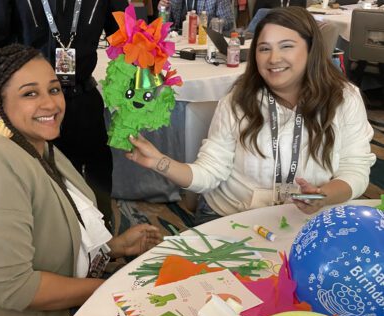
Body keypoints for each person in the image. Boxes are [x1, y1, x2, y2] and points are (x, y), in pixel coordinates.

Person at [0, 44, 162, 316]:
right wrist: (110, 289)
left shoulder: (42, 148)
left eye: (53, 90)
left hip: (62, 312)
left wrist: (115, 248)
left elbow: (53, 237)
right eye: (30, 93)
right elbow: (16, 289)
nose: (51, 104)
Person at [126, 7, 375, 225]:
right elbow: (210, 173)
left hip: (309, 219)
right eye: (264, 49)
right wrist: (159, 162)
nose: (273, 59)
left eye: (286, 46)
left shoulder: (343, 99)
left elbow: (355, 170)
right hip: (231, 216)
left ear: (311, 50)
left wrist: (321, 197)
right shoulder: (238, 101)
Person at [0, 0, 128, 227]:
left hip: (83, 99)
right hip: (30, 108)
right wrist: (1, 107)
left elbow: (128, 37)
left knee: (97, 180)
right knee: (38, 184)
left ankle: (103, 240)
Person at [158, 0, 235, 33]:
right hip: (179, 41)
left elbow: (228, 22)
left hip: (205, 42)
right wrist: (163, 10)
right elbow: (167, 24)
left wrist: (204, 22)